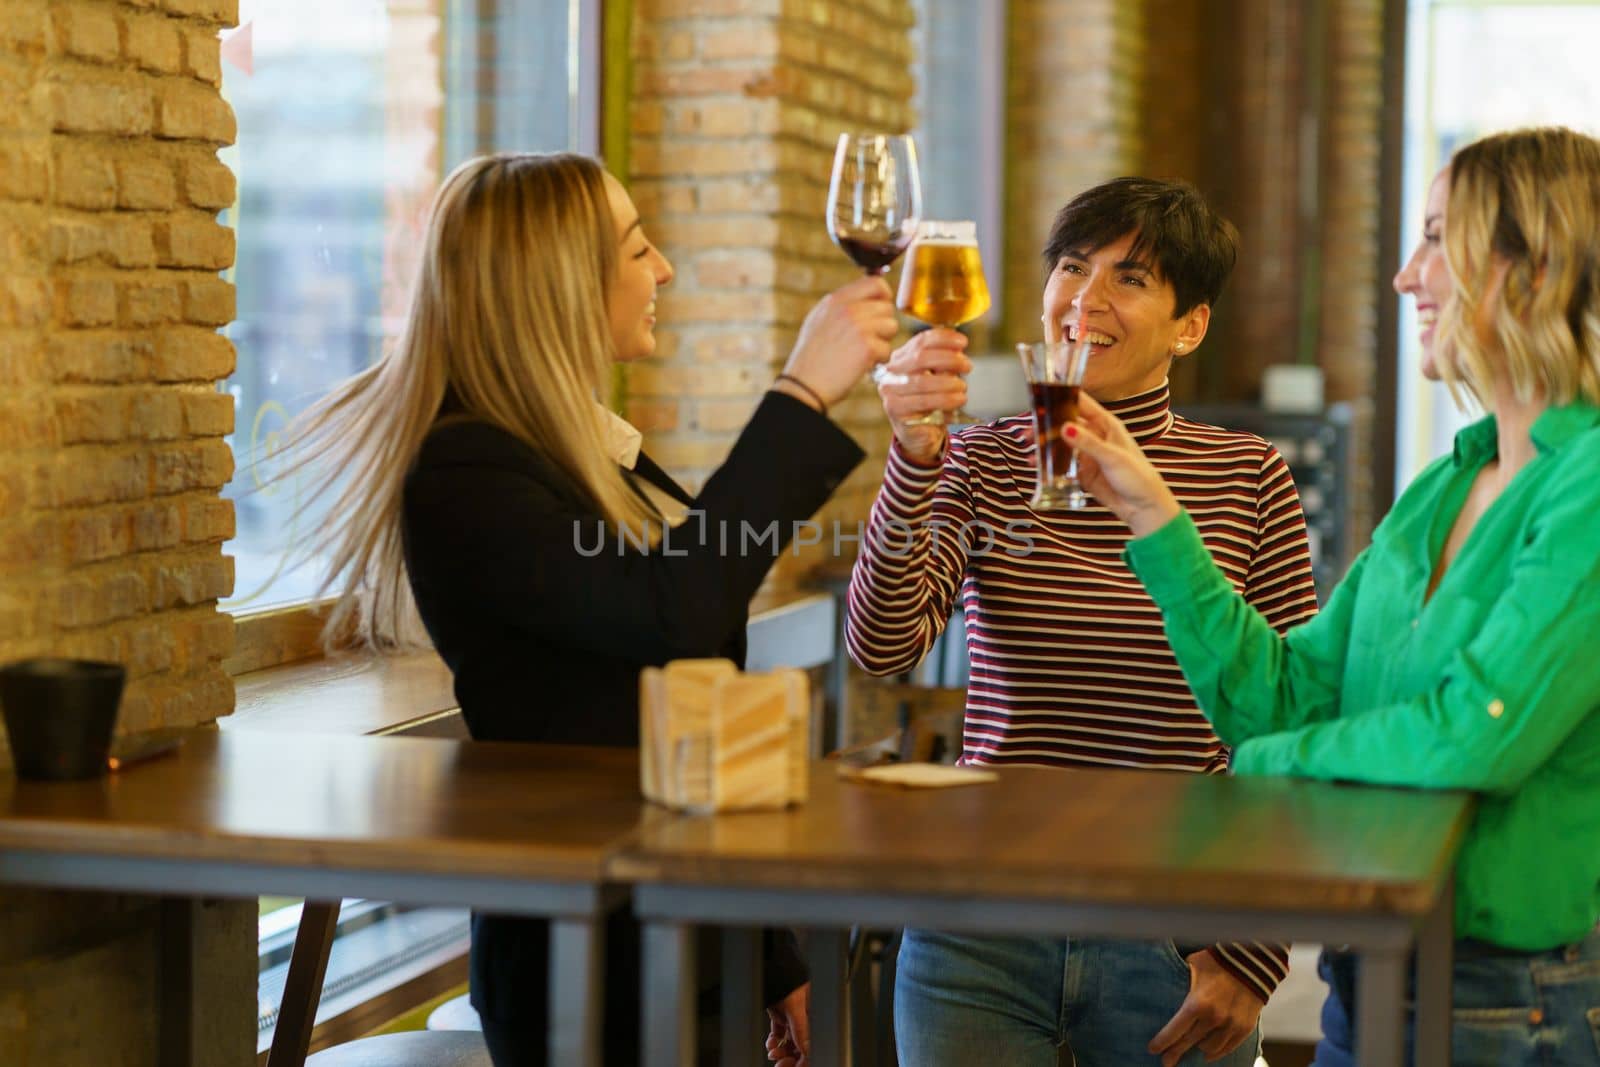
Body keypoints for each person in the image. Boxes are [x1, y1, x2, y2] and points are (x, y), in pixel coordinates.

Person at [281, 152, 899, 1065]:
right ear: (561, 284)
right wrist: (802, 393)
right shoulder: (469, 475)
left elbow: (688, 686)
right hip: (584, 965)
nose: (665, 271)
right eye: (638, 247)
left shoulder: (580, 458)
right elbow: (674, 611)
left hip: (688, 937)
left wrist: (770, 956)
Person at [1067, 126, 1600, 1066]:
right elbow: (1282, 693)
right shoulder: (1449, 482)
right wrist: (1155, 515)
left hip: (1521, 999)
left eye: (1437, 236)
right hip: (1374, 976)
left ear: (1535, 266)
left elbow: (1475, 732)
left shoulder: (1588, 482)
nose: (1406, 275)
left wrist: (1266, 773)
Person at [846, 177, 1321, 1067]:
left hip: (1173, 933)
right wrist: (913, 455)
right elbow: (881, 644)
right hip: (977, 927)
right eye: (1072, 266)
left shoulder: (1248, 474)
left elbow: (1293, 726)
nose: (1086, 298)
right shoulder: (983, 457)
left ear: (1191, 325)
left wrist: (1252, 953)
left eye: (1130, 278)